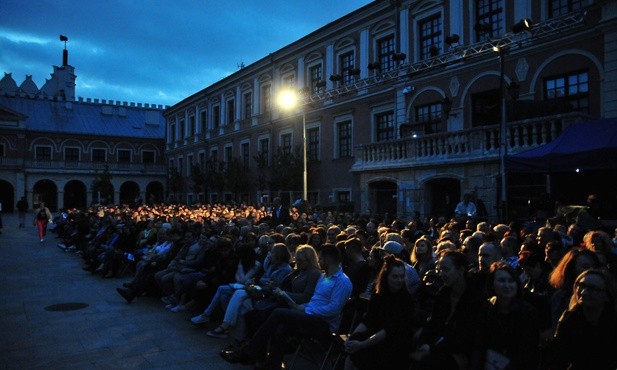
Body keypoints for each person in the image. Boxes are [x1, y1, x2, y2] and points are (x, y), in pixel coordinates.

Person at [220, 244, 353, 369]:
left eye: (321, 258)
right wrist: (299, 306)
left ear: (328, 259)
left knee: (278, 313)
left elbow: (333, 309)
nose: (319, 261)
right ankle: (272, 365)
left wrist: (306, 309)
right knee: (280, 328)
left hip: (324, 324)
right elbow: (314, 300)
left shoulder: (343, 281)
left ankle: (248, 351)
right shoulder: (324, 277)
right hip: (310, 316)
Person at [411, 251, 482, 370]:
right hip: (438, 346)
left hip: (460, 352)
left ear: (460, 270)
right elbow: (433, 322)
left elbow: (463, 336)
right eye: (440, 270)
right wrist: (425, 343)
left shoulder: (473, 299)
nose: (441, 274)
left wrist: (431, 347)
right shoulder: (443, 293)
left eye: (446, 269)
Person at [344, 255, 415, 370]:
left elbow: (389, 330)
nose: (399, 280)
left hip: (394, 344)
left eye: (401, 276)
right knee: (352, 347)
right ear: (386, 277)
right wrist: (351, 338)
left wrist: (361, 345)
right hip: (376, 335)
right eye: (395, 276)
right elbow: (368, 320)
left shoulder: (405, 300)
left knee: (359, 354)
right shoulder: (378, 296)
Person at [543, 269, 617, 370]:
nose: (584, 292)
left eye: (593, 288)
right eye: (581, 285)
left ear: (607, 295)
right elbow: (558, 357)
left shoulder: (612, 323)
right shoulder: (570, 319)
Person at [471, 262, 539, 370]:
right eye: (502, 281)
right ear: (492, 283)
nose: (507, 285)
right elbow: (479, 344)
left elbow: (527, 350)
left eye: (511, 281)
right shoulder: (487, 307)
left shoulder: (527, 312)